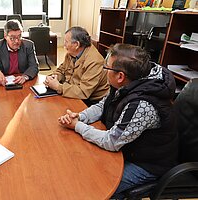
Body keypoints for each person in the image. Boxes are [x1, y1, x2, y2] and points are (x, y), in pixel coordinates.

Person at [58, 43, 178, 198]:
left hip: (147, 164)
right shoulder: (129, 81)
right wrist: (80, 116)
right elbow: (103, 105)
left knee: (94, 187)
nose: (103, 71)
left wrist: (77, 126)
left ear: (120, 76)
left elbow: (111, 142)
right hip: (129, 149)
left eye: (106, 68)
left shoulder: (142, 104)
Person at [44, 26, 109, 106]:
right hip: (73, 92)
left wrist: (58, 87)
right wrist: (55, 77)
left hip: (91, 101)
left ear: (77, 44)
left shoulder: (94, 61)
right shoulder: (71, 53)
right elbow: (62, 70)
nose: (64, 44)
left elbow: (83, 92)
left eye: (66, 41)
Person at [0, 19, 39, 86]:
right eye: (12, 38)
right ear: (5, 36)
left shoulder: (28, 45)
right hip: (3, 83)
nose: (17, 41)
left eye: (19, 36)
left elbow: (34, 66)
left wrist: (25, 76)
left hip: (23, 83)